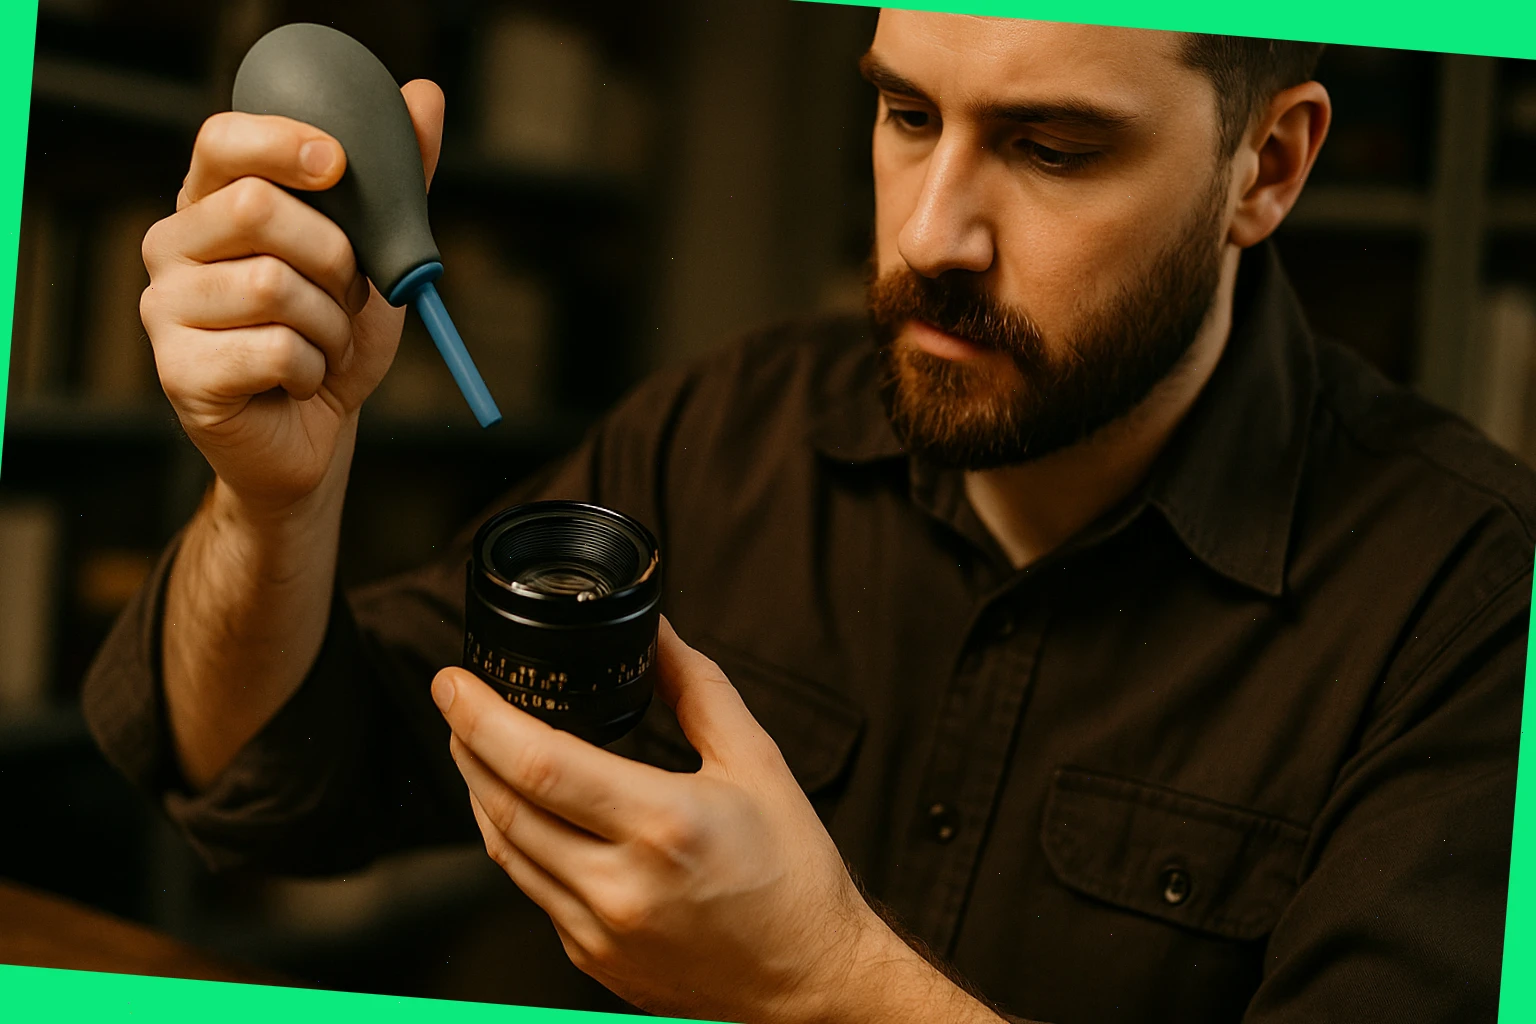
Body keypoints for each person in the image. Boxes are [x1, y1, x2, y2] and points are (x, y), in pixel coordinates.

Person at [83, 11, 1528, 1024]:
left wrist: (828, 985)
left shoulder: (1469, 603)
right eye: (909, 114)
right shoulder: (734, 427)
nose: (929, 235)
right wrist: (271, 500)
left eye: (1052, 147)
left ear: (1266, 168)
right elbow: (280, 776)